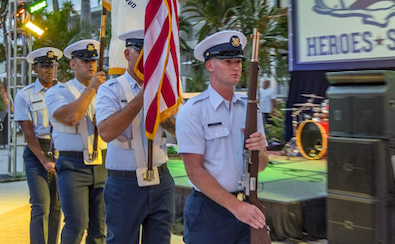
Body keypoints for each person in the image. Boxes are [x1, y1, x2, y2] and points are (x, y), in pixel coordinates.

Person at [175, 30, 269, 244]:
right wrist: (237, 208)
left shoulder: (250, 109)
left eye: (238, 61)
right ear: (210, 65)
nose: (235, 67)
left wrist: (260, 151)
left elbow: (261, 165)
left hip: (247, 204)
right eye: (227, 61)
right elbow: (195, 171)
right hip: (209, 212)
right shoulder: (194, 110)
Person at [96, 29, 175, 244]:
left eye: (150, 52)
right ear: (127, 54)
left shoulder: (165, 89)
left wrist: (162, 105)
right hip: (124, 183)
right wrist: (142, 98)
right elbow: (105, 132)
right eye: (140, 50)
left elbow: (181, 131)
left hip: (161, 180)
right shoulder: (111, 90)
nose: (145, 58)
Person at [45, 39, 107, 244]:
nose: (90, 64)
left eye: (93, 60)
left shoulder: (107, 91)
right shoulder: (58, 91)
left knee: (100, 228)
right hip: (73, 164)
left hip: (102, 161)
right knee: (76, 224)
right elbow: (71, 117)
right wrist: (91, 89)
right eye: (84, 60)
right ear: (73, 64)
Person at [14, 47, 63, 244]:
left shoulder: (63, 92)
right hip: (37, 153)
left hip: (60, 150)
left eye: (51, 66)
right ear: (35, 69)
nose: (49, 70)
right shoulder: (25, 95)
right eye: (44, 66)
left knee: (57, 206)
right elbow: (28, 134)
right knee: (41, 205)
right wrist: (44, 160)